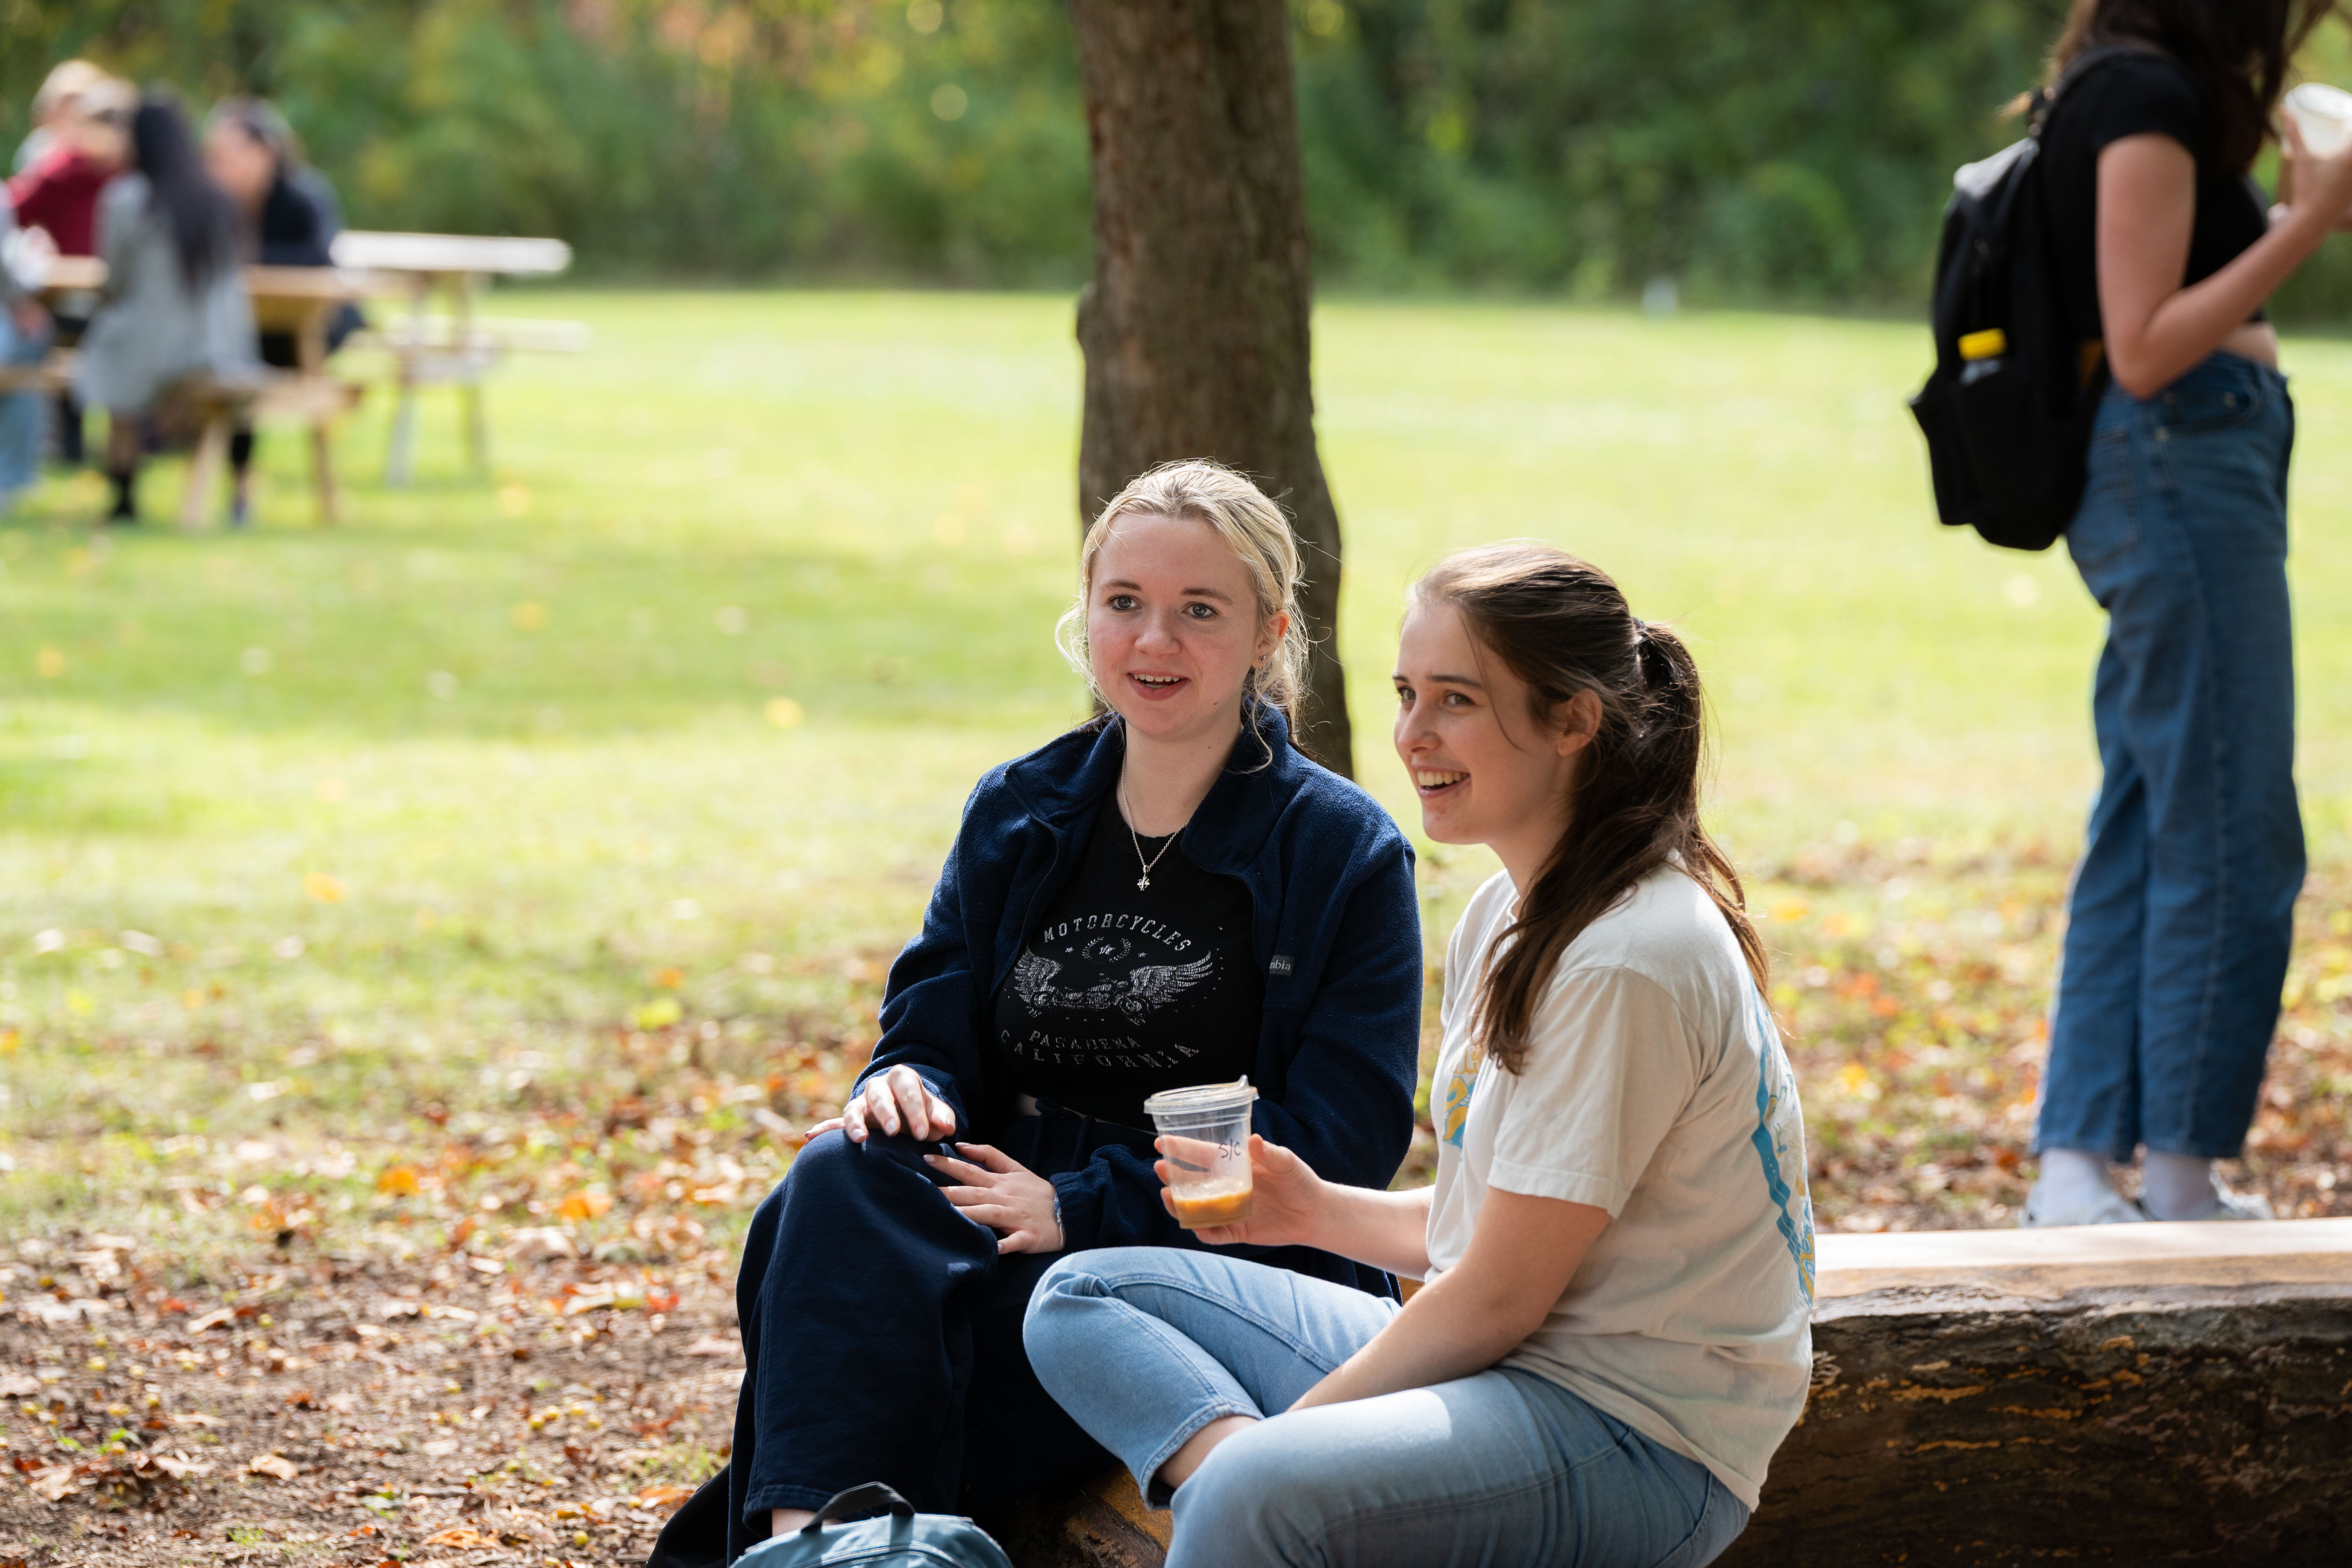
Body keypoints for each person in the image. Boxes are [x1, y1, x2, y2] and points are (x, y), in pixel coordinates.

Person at [651, 460, 1424, 1567]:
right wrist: (906, 1079)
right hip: (997, 1209)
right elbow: (933, 1019)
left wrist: (1082, 1206)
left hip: (1199, 1260)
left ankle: (835, 1538)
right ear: (1088, 613)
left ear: (1268, 632)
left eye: (1199, 611)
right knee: (836, 1178)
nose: (1154, 640)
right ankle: (823, 1548)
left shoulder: (1342, 850)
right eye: (1125, 603)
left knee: (892, 1322)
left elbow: (1343, 1134)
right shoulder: (1022, 808)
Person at [1025, 543, 1814, 1568]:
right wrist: (1315, 1211)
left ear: (1573, 721)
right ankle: (1249, 1501)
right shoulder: (1508, 912)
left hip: (1636, 1435)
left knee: (1256, 1489)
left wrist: (1284, 1449)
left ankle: (1243, 1501)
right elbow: (1501, 1220)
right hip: (1508, 1372)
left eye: (1457, 700)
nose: (1412, 734)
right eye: (1407, 693)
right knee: (1082, 1299)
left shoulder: (1629, 957)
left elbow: (1496, 1297)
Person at [2022, 0, 2352, 1226]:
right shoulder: (2143, 97)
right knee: (2234, 826)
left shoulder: (2131, 86)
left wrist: (2290, 212)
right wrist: (2307, 224)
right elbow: (2147, 345)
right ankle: (2177, 1169)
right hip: (2177, 459)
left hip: (2184, 461)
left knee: (2154, 815)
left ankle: (2079, 1170)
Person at [75, 89, 253, 524]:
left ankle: (124, 490)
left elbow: (114, 279)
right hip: (217, 344)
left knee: (110, 348)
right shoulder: (217, 197)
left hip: (150, 347)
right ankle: (240, 493)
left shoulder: (127, 198)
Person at [203, 97, 361, 524]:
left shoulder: (303, 198)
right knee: (231, 367)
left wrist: (247, 262)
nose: (217, 165)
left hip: (308, 330)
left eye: (227, 154)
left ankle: (241, 491)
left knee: (240, 364)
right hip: (247, 330)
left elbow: (317, 260)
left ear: (264, 152)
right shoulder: (218, 204)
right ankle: (239, 490)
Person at [6, 74, 129, 466]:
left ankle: (122, 459)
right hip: (65, 297)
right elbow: (15, 210)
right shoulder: (59, 171)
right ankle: (63, 448)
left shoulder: (135, 179)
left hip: (120, 298)